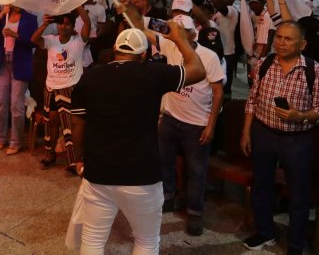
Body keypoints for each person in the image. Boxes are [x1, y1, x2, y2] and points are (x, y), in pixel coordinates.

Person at [65, 21, 206, 254]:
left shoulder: (91, 77)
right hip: (142, 174)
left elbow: (77, 122)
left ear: (115, 50)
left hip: (99, 172)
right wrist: (180, 39)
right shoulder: (152, 74)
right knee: (146, 241)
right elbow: (198, 70)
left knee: (93, 239)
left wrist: (79, 158)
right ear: (143, 55)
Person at [241, 0, 319, 255]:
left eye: (287, 39)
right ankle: (265, 232)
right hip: (263, 133)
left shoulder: (315, 72)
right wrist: (246, 131)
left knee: (298, 194)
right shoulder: (265, 64)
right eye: (278, 37)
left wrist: (300, 116)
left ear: (302, 44)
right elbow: (252, 99)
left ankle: (295, 243)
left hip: (296, 140)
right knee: (262, 186)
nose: (280, 42)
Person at [155, 16, 225, 236]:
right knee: (164, 162)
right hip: (170, 118)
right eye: (172, 28)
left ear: (192, 34)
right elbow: (140, 25)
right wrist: (127, 8)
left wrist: (211, 125)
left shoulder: (209, 56)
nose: (173, 32)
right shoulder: (169, 45)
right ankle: (167, 198)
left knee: (196, 171)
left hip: (196, 124)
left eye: (178, 30)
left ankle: (195, 212)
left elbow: (218, 92)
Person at [32, 13, 90, 174]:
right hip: (51, 87)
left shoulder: (78, 41)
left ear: (73, 27)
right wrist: (44, 24)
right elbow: (34, 40)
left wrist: (79, 6)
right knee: (50, 122)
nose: (63, 27)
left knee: (70, 126)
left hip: (70, 88)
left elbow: (87, 23)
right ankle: (50, 155)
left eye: (67, 24)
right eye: (61, 24)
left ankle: (73, 161)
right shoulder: (51, 39)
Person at [0, 4, 38, 154]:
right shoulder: (5, 15)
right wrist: (2, 14)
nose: (17, 4)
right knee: (1, 102)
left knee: (16, 104)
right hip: (3, 62)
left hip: (20, 63)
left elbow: (33, 41)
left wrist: (16, 35)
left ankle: (16, 141)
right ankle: (1, 137)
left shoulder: (30, 18)